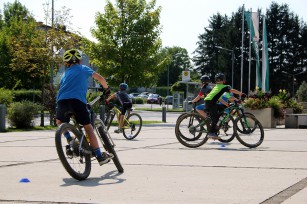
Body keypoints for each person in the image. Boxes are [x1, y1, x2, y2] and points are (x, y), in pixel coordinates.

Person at [56, 49, 113, 166]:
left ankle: (69, 139)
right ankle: (99, 156)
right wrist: (107, 89)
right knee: (88, 127)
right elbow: (100, 78)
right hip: (77, 101)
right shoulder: (83, 68)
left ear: (67, 63)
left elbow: (62, 86)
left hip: (61, 101)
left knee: (59, 121)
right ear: (80, 60)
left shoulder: (65, 74)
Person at [204, 73, 246, 139]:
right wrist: (241, 94)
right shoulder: (224, 87)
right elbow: (232, 90)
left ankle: (218, 125)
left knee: (224, 108)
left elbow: (223, 98)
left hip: (210, 102)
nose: (219, 81)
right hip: (210, 103)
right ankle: (211, 133)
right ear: (224, 80)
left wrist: (229, 103)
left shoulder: (217, 87)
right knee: (215, 118)